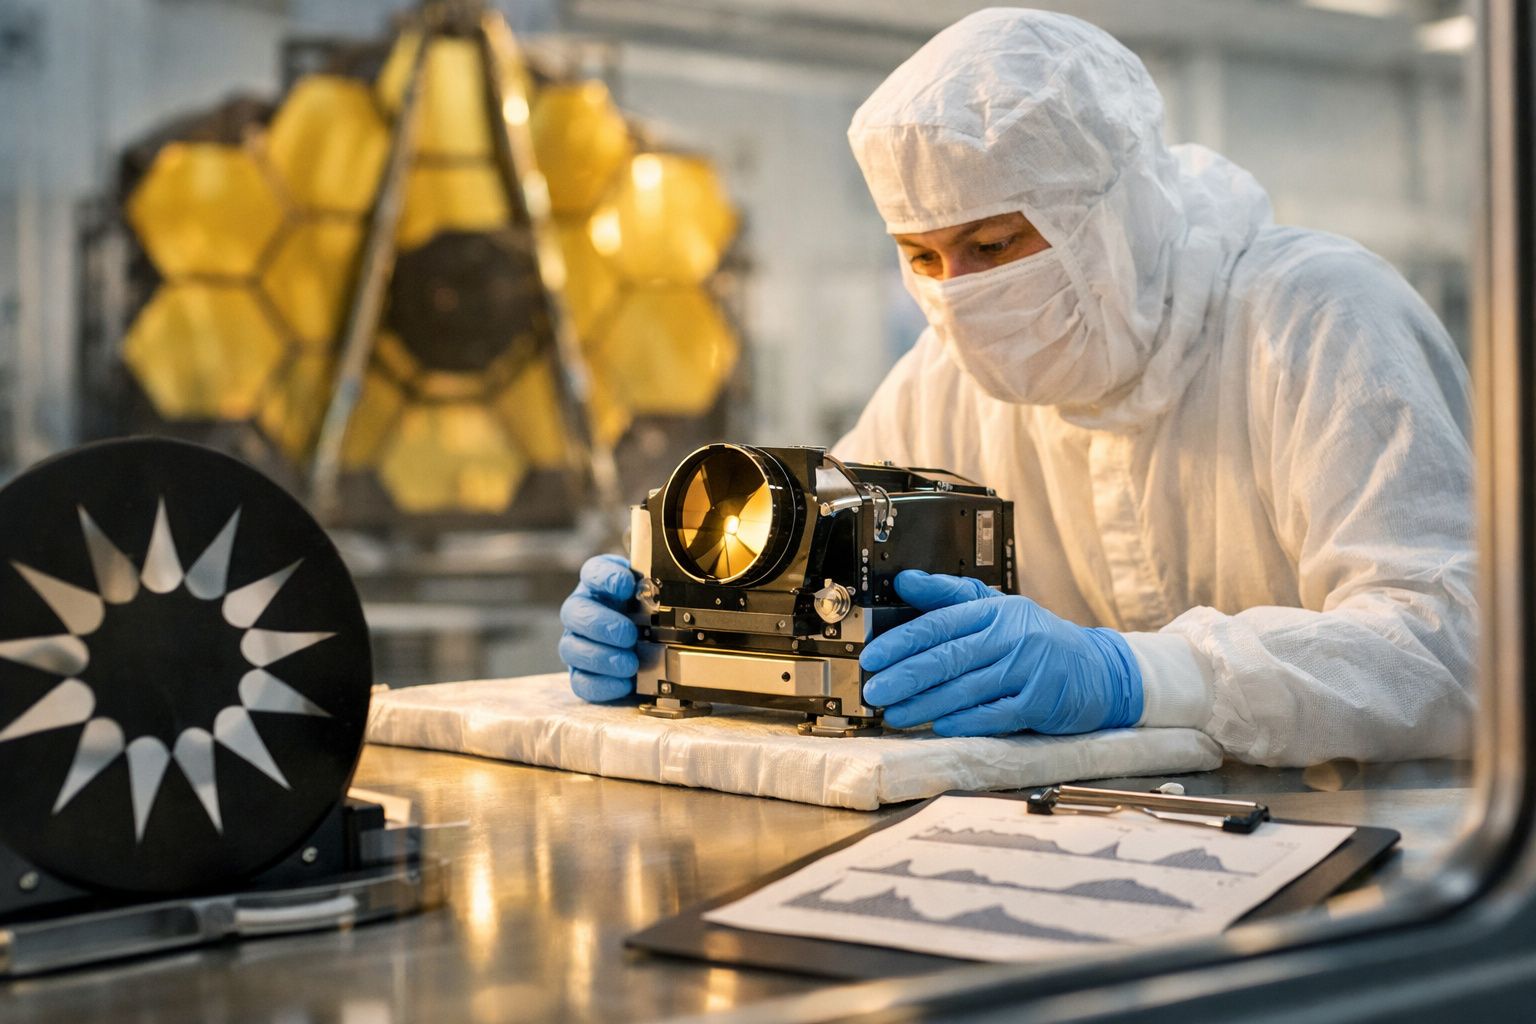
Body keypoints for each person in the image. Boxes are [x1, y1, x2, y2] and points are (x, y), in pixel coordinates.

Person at [558, 8, 1475, 766]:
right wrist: (686, 623)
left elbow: (1449, 646)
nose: (959, 293)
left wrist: (1135, 676)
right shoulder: (944, 379)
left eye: (993, 246)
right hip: (1103, 850)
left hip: (1387, 859)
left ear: (1109, 210)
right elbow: (818, 564)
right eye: (922, 256)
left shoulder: (1317, 320)